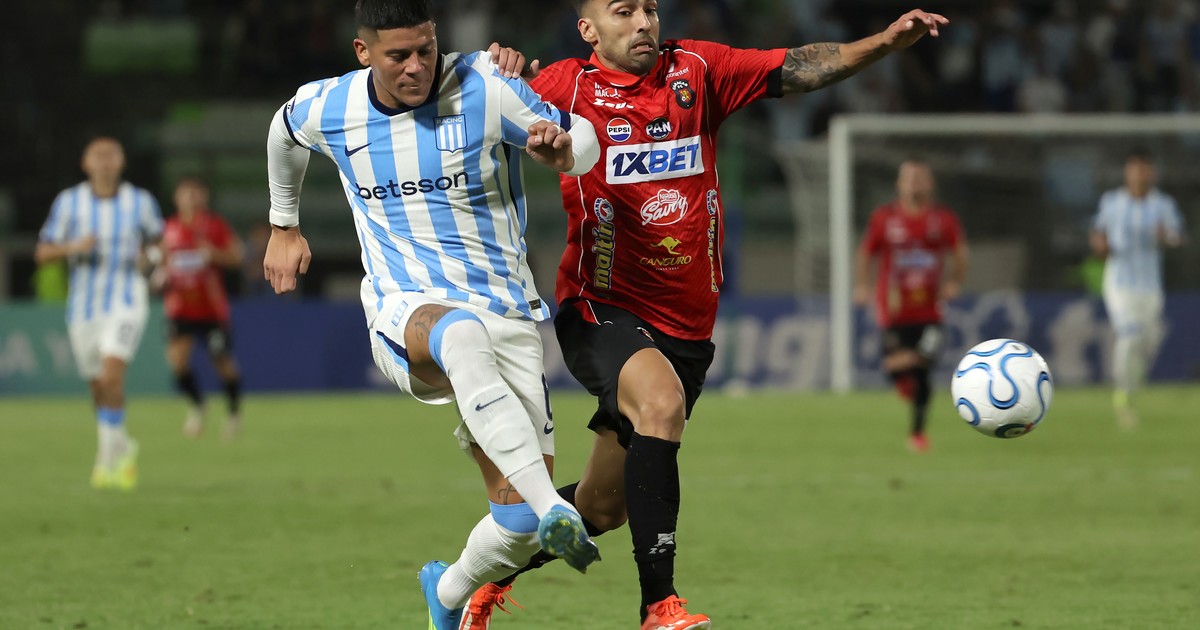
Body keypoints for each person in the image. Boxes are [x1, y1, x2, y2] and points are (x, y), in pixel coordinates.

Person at [463, 4, 951, 629]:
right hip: (601, 306)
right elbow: (470, 105)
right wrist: (497, 69)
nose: (643, 22)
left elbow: (801, 66)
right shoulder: (562, 87)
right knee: (660, 404)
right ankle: (658, 607)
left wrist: (883, 42)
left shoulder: (697, 70)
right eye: (623, 11)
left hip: (687, 327)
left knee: (603, 507)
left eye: (649, 7)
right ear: (589, 30)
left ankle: (477, 578)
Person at [260, 2, 603, 628]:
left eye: (426, 49)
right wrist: (284, 223)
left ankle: (446, 593)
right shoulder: (329, 105)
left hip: (507, 311)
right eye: (399, 56)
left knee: (517, 529)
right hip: (405, 307)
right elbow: (282, 134)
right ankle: (555, 505)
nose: (417, 66)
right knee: (459, 333)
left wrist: (564, 154)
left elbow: (582, 140)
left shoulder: (486, 85)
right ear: (364, 52)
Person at [34, 136, 164, 491]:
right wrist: (74, 247)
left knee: (110, 376)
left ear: (121, 162)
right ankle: (121, 445)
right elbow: (43, 253)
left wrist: (151, 260)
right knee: (97, 386)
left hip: (127, 301)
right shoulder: (69, 202)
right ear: (85, 163)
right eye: (98, 155)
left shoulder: (140, 201)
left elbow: (159, 243)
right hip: (83, 307)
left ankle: (105, 461)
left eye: (112, 155)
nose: (105, 161)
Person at [853, 159, 968, 453]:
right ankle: (903, 382)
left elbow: (960, 251)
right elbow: (866, 252)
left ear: (930, 184)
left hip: (930, 310)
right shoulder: (885, 218)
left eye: (920, 178)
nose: (914, 183)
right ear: (899, 184)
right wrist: (862, 286)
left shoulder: (942, 219)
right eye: (909, 178)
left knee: (922, 366)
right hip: (894, 310)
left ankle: (917, 433)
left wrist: (955, 281)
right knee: (896, 366)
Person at [1090, 150, 1185, 429]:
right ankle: (1122, 395)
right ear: (1127, 172)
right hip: (1119, 282)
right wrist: (1100, 246)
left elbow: (1177, 237)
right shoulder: (1112, 202)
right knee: (1129, 334)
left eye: (1144, 169)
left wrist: (1166, 237)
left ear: (1151, 173)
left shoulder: (1163, 205)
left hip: (1150, 285)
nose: (1140, 175)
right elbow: (1098, 233)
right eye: (1135, 169)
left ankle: (1132, 381)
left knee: (1149, 340)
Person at [156, 176, 245, 440]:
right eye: (186, 193)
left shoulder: (215, 226)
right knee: (177, 361)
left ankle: (233, 413)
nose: (191, 199)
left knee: (223, 362)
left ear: (204, 197)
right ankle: (197, 405)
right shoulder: (168, 228)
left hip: (211, 310)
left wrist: (214, 253)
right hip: (180, 307)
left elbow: (237, 256)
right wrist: (159, 274)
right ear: (176, 198)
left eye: (196, 193)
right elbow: (158, 260)